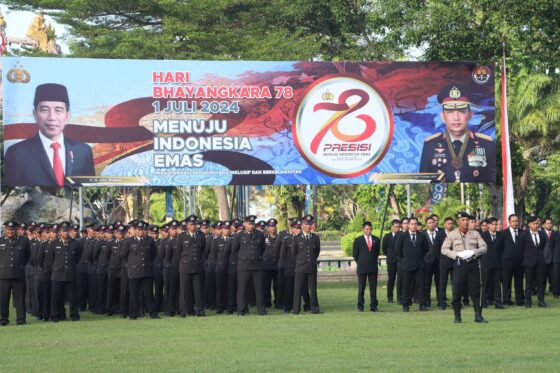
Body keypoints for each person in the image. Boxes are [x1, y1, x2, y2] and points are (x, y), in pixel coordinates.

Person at [4, 83, 95, 187]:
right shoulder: (17, 153)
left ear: (67, 116)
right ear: (35, 114)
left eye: (58, 110)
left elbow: (89, 192)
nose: (52, 117)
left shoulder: (83, 151)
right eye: (44, 110)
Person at [419, 83, 496, 182]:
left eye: (461, 111)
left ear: (470, 115)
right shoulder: (430, 145)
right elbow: (424, 181)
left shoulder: (486, 145)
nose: (456, 118)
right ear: (442, 116)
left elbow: (493, 180)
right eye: (450, 112)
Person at [441, 212, 488, 323]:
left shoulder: (475, 233)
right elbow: (444, 249)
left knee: (476, 290)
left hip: (472, 264)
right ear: (458, 221)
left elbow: (484, 247)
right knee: (456, 290)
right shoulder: (452, 234)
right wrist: (456, 255)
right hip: (459, 265)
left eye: (467, 220)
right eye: (463, 220)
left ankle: (478, 316)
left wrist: (473, 252)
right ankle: (457, 317)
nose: (465, 222)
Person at [120, 221, 159, 319]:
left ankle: (153, 313)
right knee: (134, 294)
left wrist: (149, 264)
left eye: (143, 229)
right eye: (139, 230)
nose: (141, 232)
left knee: (149, 294)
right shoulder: (129, 241)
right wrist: (129, 265)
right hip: (134, 271)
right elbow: (123, 255)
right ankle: (134, 314)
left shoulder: (150, 240)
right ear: (135, 230)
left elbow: (154, 253)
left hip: (146, 271)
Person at [233, 215, 266, 316]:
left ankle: (261, 310)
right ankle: (241, 310)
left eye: (253, 224)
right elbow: (234, 250)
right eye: (249, 224)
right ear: (244, 224)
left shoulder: (260, 235)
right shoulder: (239, 236)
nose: (251, 226)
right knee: (242, 289)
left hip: (257, 266)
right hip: (244, 266)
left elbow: (262, 248)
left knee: (259, 289)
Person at [47, 221, 80, 322]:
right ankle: (55, 315)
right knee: (56, 297)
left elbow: (77, 258)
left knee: (73, 297)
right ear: (59, 232)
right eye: (63, 231)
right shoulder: (53, 243)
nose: (65, 233)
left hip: (70, 274)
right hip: (57, 274)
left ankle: (74, 315)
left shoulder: (75, 243)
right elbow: (50, 259)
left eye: (67, 231)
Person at [0, 221, 30, 325]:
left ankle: (21, 319)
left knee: (20, 298)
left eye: (12, 229)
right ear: (5, 230)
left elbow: (28, 256)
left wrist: (20, 266)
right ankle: (3, 319)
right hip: (3, 274)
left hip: (18, 274)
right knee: (3, 298)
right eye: (8, 229)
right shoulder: (1, 241)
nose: (10, 231)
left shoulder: (24, 241)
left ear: (16, 230)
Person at [395, 217, 428, 312]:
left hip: (419, 265)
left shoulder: (422, 235)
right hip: (407, 265)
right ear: (408, 225)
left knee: (421, 285)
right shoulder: (402, 236)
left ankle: (422, 305)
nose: (414, 226)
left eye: (416, 224)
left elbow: (426, 249)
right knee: (406, 285)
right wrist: (404, 259)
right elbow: (397, 250)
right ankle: (406, 305)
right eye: (412, 224)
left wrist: (421, 259)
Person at [178, 215, 206, 317]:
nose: (193, 226)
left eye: (194, 224)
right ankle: (185, 310)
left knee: (198, 290)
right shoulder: (182, 236)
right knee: (185, 290)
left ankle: (199, 310)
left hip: (197, 266)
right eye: (191, 224)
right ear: (187, 225)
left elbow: (203, 250)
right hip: (185, 267)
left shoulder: (201, 235)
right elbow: (178, 252)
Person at [292, 215, 321, 314]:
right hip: (300, 267)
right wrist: (302, 260)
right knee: (298, 289)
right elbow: (294, 253)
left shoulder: (315, 238)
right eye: (306, 224)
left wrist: (311, 260)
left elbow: (317, 252)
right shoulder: (297, 238)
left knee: (313, 289)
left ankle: (314, 309)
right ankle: (296, 309)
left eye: (310, 224)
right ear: (302, 225)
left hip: (311, 266)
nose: (309, 226)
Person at [518, 216, 547, 308]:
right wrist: (526, 258)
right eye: (534, 223)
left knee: (541, 282)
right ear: (529, 224)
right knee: (529, 282)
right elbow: (520, 249)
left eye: (537, 223)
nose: (536, 225)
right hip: (528, 262)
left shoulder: (542, 234)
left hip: (541, 262)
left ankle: (541, 301)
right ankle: (528, 301)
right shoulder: (523, 235)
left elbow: (545, 247)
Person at [352, 221, 380, 312]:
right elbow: (355, 254)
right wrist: (360, 262)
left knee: (373, 287)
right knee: (361, 287)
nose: (369, 231)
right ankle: (360, 305)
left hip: (373, 267)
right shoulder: (358, 240)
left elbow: (376, 253)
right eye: (367, 229)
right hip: (362, 267)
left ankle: (373, 305)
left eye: (370, 229)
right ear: (363, 229)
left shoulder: (376, 239)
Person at [499, 214, 525, 306]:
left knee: (519, 282)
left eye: (516, 221)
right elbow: (500, 248)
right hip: (506, 263)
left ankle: (520, 300)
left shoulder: (523, 233)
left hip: (520, 262)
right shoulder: (503, 233)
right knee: (506, 282)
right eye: (513, 221)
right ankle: (506, 300)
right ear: (509, 222)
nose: (515, 223)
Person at [480, 217, 504, 309]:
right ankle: (484, 301)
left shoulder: (501, 235)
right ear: (488, 225)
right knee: (485, 283)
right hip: (486, 263)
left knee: (497, 284)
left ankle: (498, 302)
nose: (495, 226)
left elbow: (502, 248)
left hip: (497, 263)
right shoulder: (483, 235)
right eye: (493, 224)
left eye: (496, 224)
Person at [437, 217, 455, 310]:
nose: (450, 225)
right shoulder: (440, 235)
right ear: (444, 224)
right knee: (442, 283)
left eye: (451, 223)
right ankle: (441, 303)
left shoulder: (456, 234)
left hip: (454, 261)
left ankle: (455, 301)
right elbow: (437, 249)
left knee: (455, 283)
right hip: (443, 262)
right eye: (448, 223)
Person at [261, 218, 279, 309]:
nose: (273, 228)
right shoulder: (263, 238)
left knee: (278, 286)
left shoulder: (279, 237)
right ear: (267, 228)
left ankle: (278, 303)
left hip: (277, 265)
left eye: (274, 226)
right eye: (271, 226)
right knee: (266, 286)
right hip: (266, 266)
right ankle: (267, 303)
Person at [382, 219, 400, 303]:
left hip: (400, 261)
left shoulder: (402, 235)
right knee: (391, 280)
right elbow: (384, 249)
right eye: (396, 227)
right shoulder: (387, 236)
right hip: (391, 261)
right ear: (392, 227)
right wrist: (389, 255)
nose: (397, 229)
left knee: (401, 280)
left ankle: (400, 297)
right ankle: (390, 297)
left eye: (398, 227)